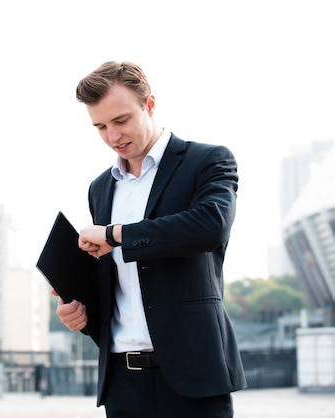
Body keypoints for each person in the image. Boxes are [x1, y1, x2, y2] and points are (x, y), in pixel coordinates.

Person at [53, 61, 247, 417]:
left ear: (150, 105)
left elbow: (210, 225)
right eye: (100, 127)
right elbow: (121, 285)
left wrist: (115, 234)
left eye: (121, 120)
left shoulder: (207, 161)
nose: (113, 136)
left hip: (194, 378)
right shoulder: (101, 188)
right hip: (121, 383)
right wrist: (82, 310)